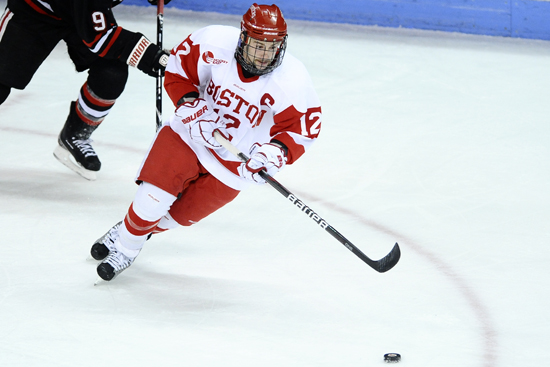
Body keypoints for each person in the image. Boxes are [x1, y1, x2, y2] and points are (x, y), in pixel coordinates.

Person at [90, 3, 323, 281]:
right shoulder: (212, 43)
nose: (264, 56)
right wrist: (190, 105)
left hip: (236, 166)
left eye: (271, 47)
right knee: (151, 200)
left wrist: (276, 153)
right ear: (243, 38)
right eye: (258, 45)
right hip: (189, 137)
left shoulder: (292, 81)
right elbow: (178, 71)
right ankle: (127, 249)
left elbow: (301, 129)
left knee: (176, 217)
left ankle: (126, 231)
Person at [0, 0, 170, 180]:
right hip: (34, 12)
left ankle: (76, 134)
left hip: (79, 12)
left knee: (111, 74)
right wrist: (152, 57)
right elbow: (101, 39)